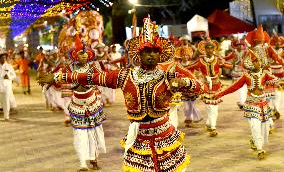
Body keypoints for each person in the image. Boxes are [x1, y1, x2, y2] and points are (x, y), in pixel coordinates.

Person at [39, 16, 205, 172]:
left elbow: (199, 87)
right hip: (139, 136)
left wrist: (186, 83)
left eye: (155, 51)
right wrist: (58, 76)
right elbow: (92, 76)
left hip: (164, 134)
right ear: (138, 55)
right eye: (146, 51)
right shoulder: (125, 75)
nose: (151, 55)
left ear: (160, 53)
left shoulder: (168, 72)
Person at [214, 49, 279, 159]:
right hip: (252, 104)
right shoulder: (246, 76)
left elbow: (276, 79)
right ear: (250, 63)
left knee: (265, 128)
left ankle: (255, 141)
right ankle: (259, 149)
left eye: (259, 61)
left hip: (263, 104)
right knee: (255, 126)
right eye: (255, 61)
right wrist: (220, 94)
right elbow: (234, 87)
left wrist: (272, 81)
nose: (258, 63)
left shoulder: (265, 74)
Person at [60, 35, 107, 171]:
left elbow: (101, 82)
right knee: (80, 134)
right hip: (77, 105)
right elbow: (61, 80)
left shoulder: (93, 68)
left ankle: (93, 158)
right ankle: (82, 163)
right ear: (75, 55)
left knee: (94, 132)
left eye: (86, 53)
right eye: (81, 53)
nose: (84, 55)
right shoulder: (69, 69)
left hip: (92, 103)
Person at [185, 38, 233, 137]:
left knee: (214, 108)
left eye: (211, 48)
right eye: (207, 48)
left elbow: (229, 66)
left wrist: (224, 61)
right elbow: (189, 67)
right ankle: (211, 125)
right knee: (209, 107)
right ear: (204, 49)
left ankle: (211, 125)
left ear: (214, 49)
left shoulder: (217, 59)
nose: (209, 50)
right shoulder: (200, 60)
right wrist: (178, 67)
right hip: (206, 86)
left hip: (216, 85)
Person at [224, 39, 247, 109]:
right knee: (239, 87)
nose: (239, 46)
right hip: (236, 71)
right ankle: (242, 102)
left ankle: (243, 102)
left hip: (244, 71)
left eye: (240, 45)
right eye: (238, 45)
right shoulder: (234, 52)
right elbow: (226, 58)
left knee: (245, 87)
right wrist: (217, 56)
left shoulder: (246, 52)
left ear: (243, 45)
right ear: (235, 46)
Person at [0, 49, 17, 121]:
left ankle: (6, 116)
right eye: (2, 58)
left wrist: (9, 77)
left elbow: (14, 75)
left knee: (6, 101)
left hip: (6, 86)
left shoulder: (9, 66)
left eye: (4, 58)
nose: (3, 59)